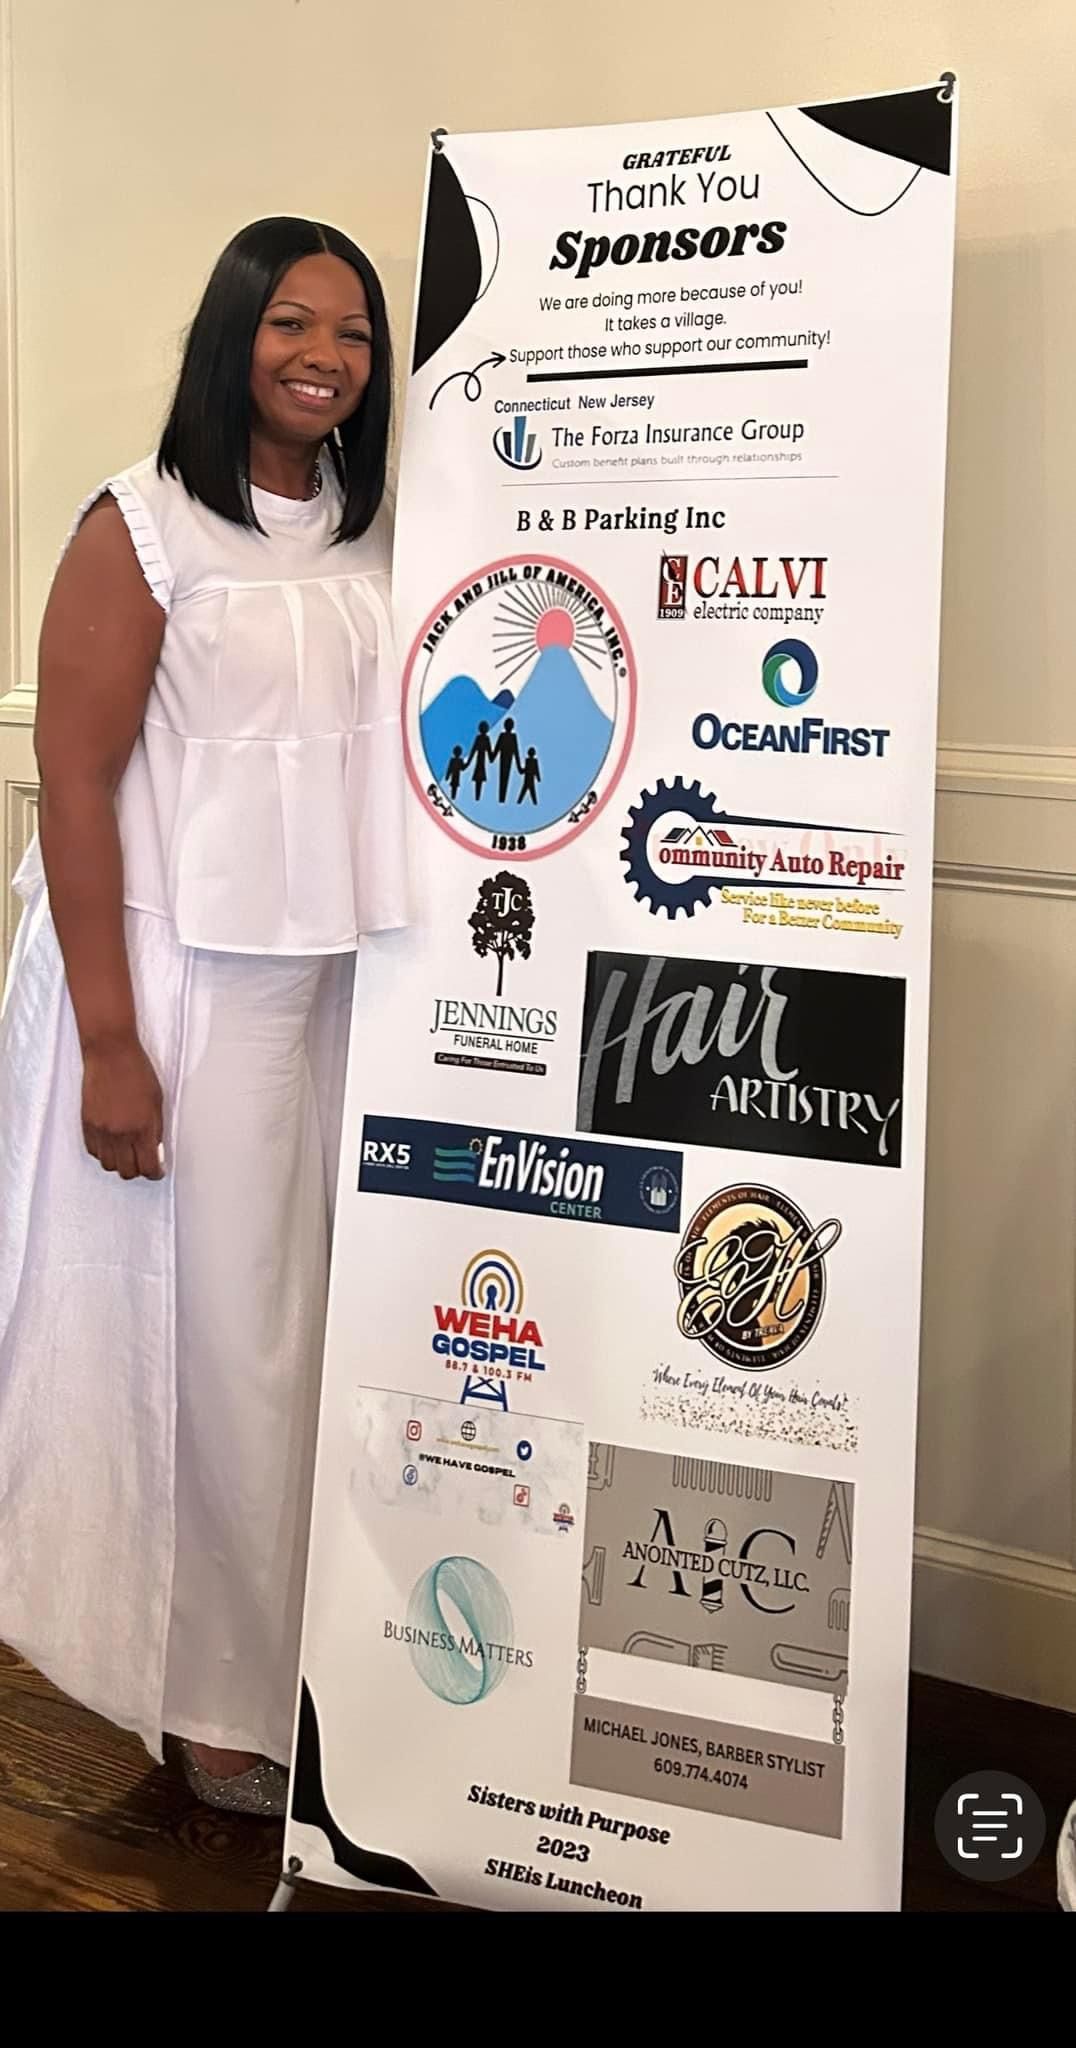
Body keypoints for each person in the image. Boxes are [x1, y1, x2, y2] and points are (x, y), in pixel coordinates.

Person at [0, 217, 407, 1815]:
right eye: (293, 324)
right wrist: (112, 1040)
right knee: (215, 1345)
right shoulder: (144, 521)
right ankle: (205, 1696)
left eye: (356, 336)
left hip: (336, 980)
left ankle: (303, 1651)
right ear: (233, 333)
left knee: (315, 1332)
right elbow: (76, 789)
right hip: (188, 986)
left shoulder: (371, 527)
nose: (326, 358)